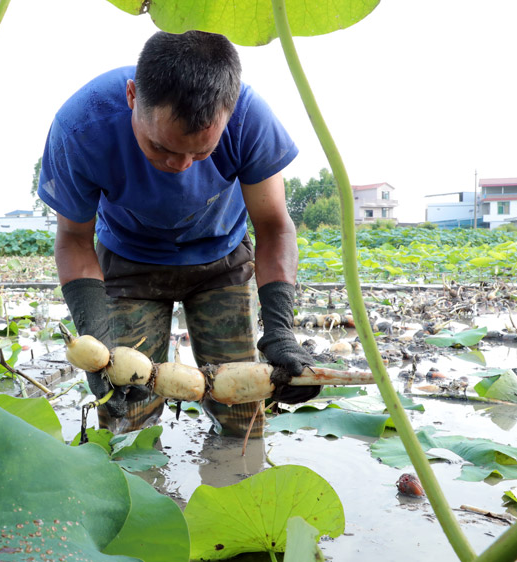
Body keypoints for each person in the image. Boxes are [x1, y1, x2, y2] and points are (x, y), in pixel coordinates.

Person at [38, 30, 319, 438]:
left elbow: (274, 226)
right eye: (161, 147)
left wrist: (280, 330)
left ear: (230, 111)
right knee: (125, 418)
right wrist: (96, 344)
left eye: (201, 152)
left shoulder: (250, 118)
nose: (181, 165)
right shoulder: (82, 127)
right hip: (129, 261)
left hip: (221, 258)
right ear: (132, 96)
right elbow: (74, 240)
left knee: (243, 418)